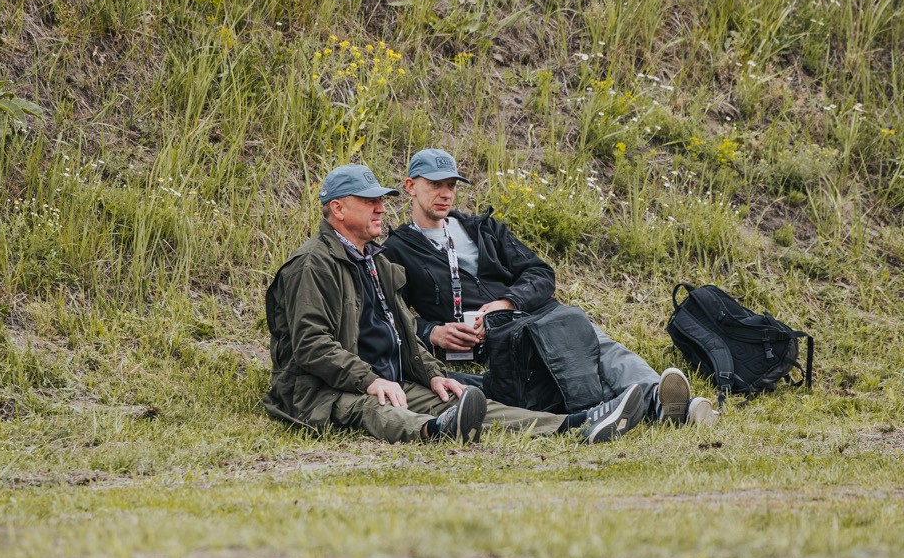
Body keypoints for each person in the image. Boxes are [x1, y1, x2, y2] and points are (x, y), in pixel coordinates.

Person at [263, 164, 649, 444]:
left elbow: (403, 332)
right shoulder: (312, 264)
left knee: (461, 395)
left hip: (391, 379)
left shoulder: (375, 260)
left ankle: (576, 425)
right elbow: (312, 345)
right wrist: (370, 380)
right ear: (338, 210)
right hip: (322, 391)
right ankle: (438, 430)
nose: (381, 208)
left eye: (381, 200)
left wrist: (432, 374)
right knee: (375, 409)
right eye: (369, 202)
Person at [381, 148, 716, 426]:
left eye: (452, 185)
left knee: (595, 341)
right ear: (411, 186)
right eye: (435, 184)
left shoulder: (483, 228)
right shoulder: (396, 250)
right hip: (495, 340)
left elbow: (541, 273)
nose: (446, 193)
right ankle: (652, 407)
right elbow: (389, 315)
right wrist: (433, 333)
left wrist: (508, 301)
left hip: (535, 313)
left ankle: (659, 397)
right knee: (567, 362)